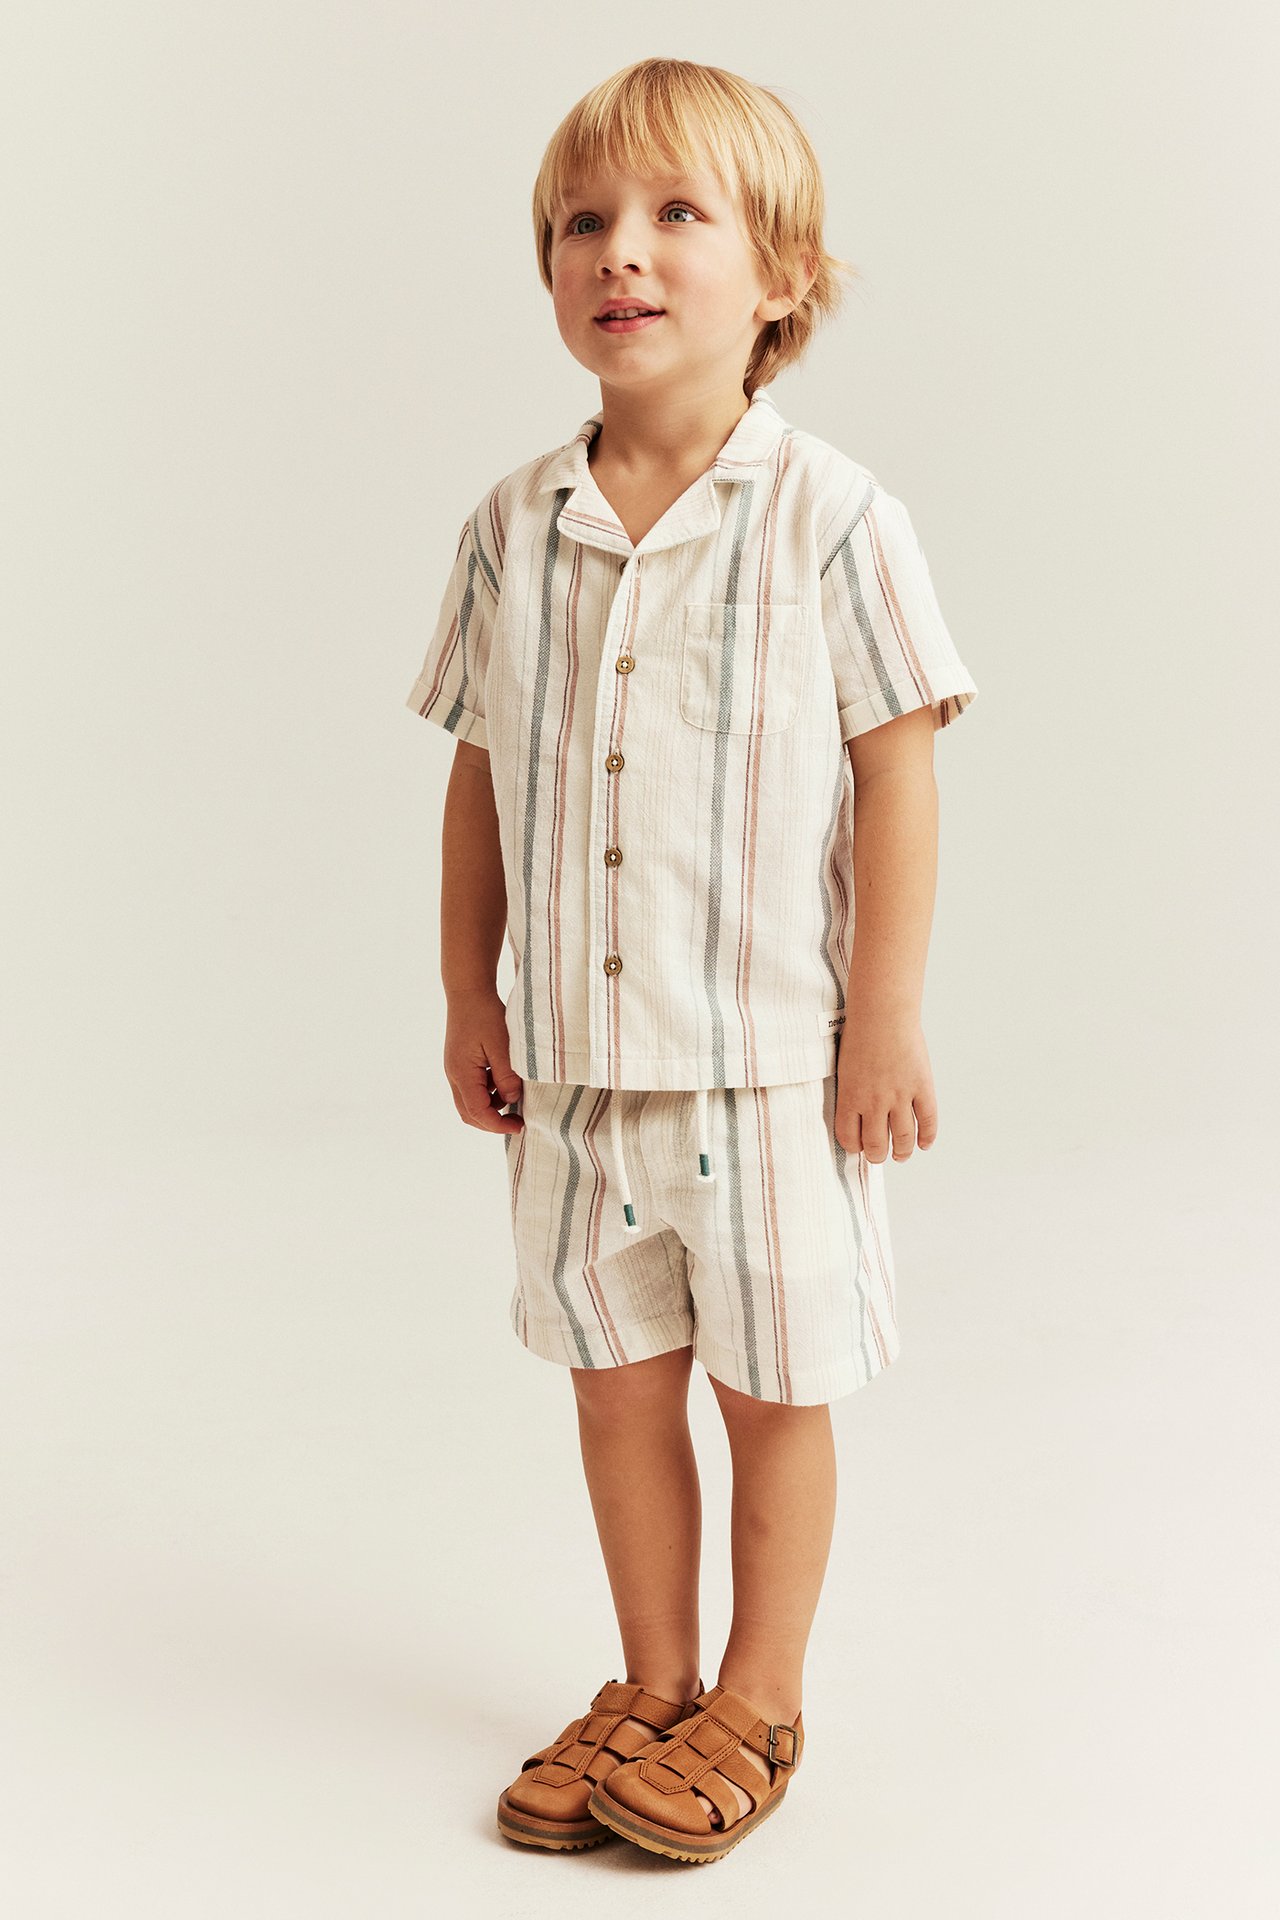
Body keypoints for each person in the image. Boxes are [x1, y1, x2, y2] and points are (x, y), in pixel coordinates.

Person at [404, 57, 979, 1865]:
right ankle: (652, 1680)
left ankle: (762, 1692)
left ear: (779, 278)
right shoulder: (514, 529)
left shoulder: (832, 517)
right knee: (615, 1386)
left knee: (771, 1389)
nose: (621, 255)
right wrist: (464, 992)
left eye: (675, 218)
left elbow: (900, 769)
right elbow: (480, 780)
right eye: (584, 223)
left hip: (764, 1072)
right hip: (577, 1080)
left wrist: (881, 1016)